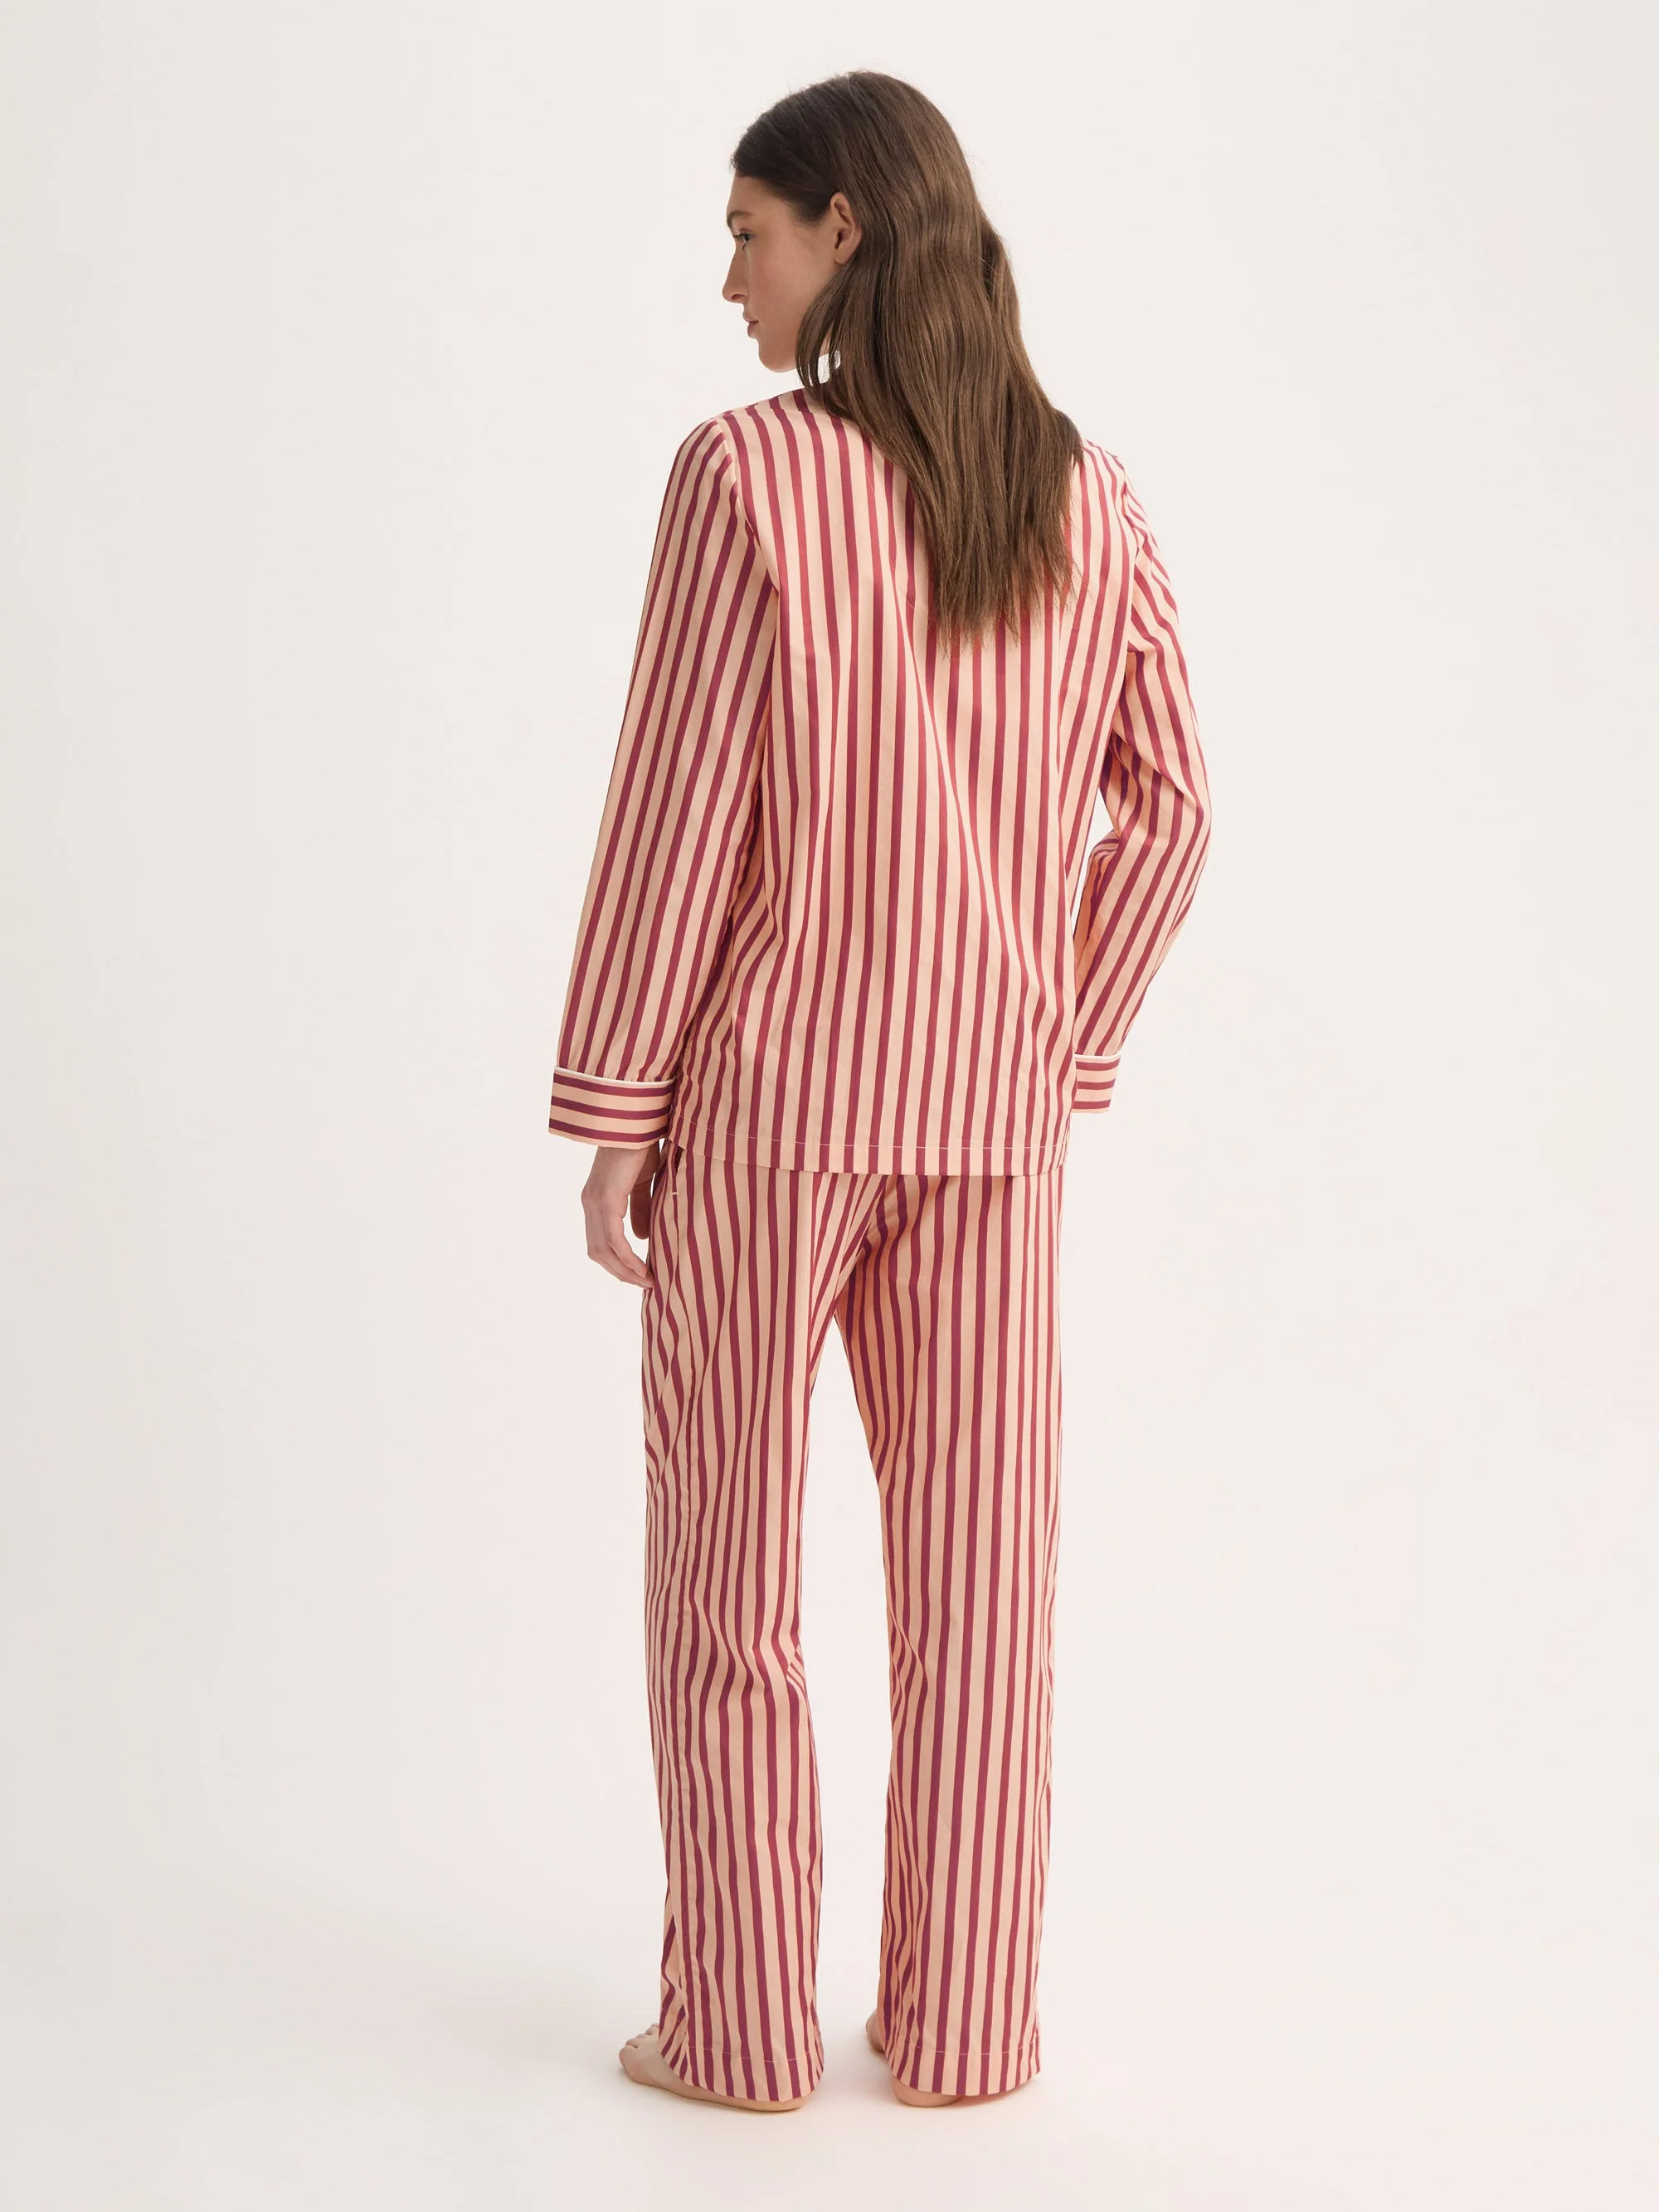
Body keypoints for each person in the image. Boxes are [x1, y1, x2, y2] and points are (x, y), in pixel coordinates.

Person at [546, 70, 1213, 2114]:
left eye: (746, 234)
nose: (727, 280)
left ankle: (740, 2031)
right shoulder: (1081, 489)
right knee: (983, 1597)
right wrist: (1054, 1037)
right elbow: (1175, 810)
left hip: (767, 1117)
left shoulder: (747, 474)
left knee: (727, 1586)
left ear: (842, 229)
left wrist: (618, 1103)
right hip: (990, 1138)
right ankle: (964, 2027)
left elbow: (679, 811)